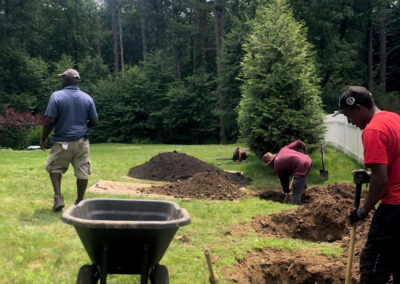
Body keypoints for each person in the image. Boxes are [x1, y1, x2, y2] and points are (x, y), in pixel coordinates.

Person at [334, 86, 400, 283]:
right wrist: (370, 176)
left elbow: (381, 182)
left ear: (359, 109)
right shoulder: (394, 119)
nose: (349, 122)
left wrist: (362, 212)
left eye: (348, 116)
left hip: (394, 211)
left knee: (373, 267)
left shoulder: (373, 131)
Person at [41, 69, 98, 211]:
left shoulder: (57, 96)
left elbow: (49, 120)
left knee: (55, 167)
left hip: (62, 141)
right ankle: (80, 202)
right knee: (83, 170)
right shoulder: (87, 98)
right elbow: (95, 121)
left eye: (62, 79)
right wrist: (83, 128)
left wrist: (43, 138)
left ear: (65, 81)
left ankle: (58, 198)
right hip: (82, 142)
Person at [262, 140, 312, 205]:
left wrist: (286, 190)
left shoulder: (277, 165)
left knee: (296, 187)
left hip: (302, 165)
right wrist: (303, 146)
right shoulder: (283, 150)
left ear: (270, 163)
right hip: (308, 160)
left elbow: (284, 180)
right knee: (300, 181)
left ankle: (295, 207)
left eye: (269, 165)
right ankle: (306, 197)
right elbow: (297, 142)